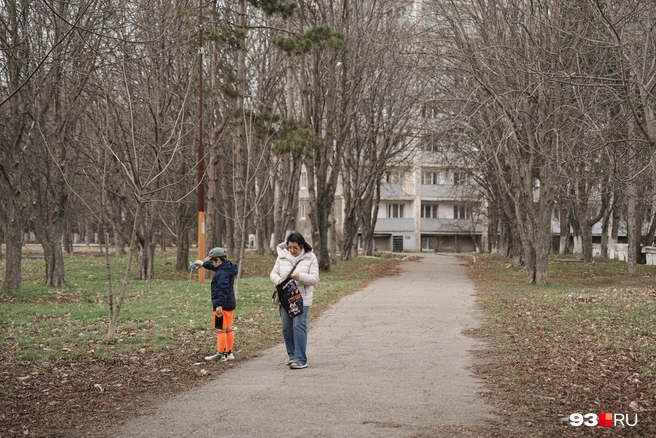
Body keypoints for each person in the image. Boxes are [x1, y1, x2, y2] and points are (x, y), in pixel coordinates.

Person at [270, 233, 319, 369]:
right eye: (289, 247)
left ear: (301, 246)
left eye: (295, 248)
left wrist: (300, 277)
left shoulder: (310, 257)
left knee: (299, 326)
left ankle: (301, 359)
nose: (292, 250)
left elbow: (315, 279)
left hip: (301, 299)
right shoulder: (282, 256)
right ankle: (292, 355)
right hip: (285, 298)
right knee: (286, 327)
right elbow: (273, 273)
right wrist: (278, 280)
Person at [192, 247, 238, 362]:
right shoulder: (228, 267)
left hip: (221, 306)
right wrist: (202, 263)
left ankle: (220, 354)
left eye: (212, 261)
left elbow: (223, 290)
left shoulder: (222, 274)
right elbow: (214, 267)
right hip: (230, 305)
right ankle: (228, 352)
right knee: (228, 328)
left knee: (220, 329)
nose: (211, 263)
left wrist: (219, 305)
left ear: (218, 260)